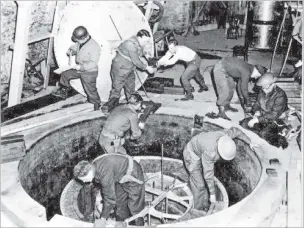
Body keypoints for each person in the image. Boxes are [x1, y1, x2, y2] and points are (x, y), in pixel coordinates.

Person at [183, 127, 256, 212]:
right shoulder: (210, 152)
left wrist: (250, 142)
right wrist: (213, 194)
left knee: (202, 182)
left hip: (199, 149)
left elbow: (237, 131)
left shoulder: (226, 137)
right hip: (191, 156)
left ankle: (203, 201)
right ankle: (196, 210)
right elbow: (208, 174)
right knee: (199, 184)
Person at [73, 153, 145, 227]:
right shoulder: (93, 166)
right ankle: (122, 223)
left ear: (89, 172)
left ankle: (139, 225)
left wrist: (103, 218)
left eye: (84, 179)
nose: (84, 182)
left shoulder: (104, 174)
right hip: (120, 176)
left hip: (133, 173)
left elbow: (110, 199)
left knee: (135, 206)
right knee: (119, 201)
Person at [101, 29, 156, 113]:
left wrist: (147, 55)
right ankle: (110, 108)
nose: (145, 43)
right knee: (116, 89)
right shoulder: (130, 44)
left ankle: (133, 105)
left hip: (129, 68)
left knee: (130, 88)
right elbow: (136, 61)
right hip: (120, 69)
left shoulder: (138, 42)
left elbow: (140, 53)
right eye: (144, 41)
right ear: (139, 37)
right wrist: (147, 68)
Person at [52, 26, 102, 111]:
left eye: (78, 40)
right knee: (65, 75)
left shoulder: (95, 47)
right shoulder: (81, 42)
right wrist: (71, 51)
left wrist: (81, 67)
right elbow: (76, 47)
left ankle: (97, 103)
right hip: (79, 69)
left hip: (89, 72)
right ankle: (64, 91)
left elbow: (93, 63)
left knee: (90, 90)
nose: (77, 41)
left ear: (86, 37)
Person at [240, 73, 289, 148]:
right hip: (263, 117)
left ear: (272, 84)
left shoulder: (280, 96)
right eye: (262, 88)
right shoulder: (262, 91)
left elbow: (274, 115)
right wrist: (256, 111)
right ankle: (263, 133)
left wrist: (257, 119)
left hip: (275, 120)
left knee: (263, 134)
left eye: (265, 88)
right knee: (244, 124)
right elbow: (257, 104)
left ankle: (275, 135)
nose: (263, 90)